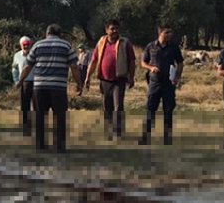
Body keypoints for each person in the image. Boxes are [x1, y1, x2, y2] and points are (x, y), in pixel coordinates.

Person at [18, 24, 79, 152]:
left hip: (40, 87)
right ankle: (59, 146)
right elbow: (74, 66)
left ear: (47, 33)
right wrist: (79, 83)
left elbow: (27, 66)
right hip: (58, 87)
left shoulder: (37, 45)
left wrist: (20, 80)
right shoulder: (66, 46)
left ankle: (40, 145)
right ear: (60, 34)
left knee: (40, 115)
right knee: (59, 116)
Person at [83, 19, 136, 140]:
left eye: (117, 28)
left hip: (119, 79)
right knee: (107, 106)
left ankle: (118, 133)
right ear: (106, 30)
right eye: (112, 28)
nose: (115, 31)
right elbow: (94, 60)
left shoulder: (125, 43)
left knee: (118, 106)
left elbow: (132, 62)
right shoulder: (101, 42)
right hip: (104, 80)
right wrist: (87, 77)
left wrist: (131, 77)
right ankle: (109, 131)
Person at [139, 24, 185, 145]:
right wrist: (151, 68)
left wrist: (177, 77)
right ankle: (146, 137)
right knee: (150, 109)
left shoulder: (174, 47)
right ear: (160, 33)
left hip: (169, 83)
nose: (170, 35)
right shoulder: (151, 46)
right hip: (154, 83)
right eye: (167, 32)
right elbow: (143, 63)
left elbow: (180, 63)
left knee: (168, 110)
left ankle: (167, 138)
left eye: (171, 32)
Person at [11, 36, 35, 133]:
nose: (26, 47)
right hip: (23, 82)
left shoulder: (35, 55)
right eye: (24, 45)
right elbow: (14, 69)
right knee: (24, 106)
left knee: (37, 105)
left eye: (27, 45)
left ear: (31, 45)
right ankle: (25, 127)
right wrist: (16, 81)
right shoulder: (17, 55)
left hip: (35, 82)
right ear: (21, 46)